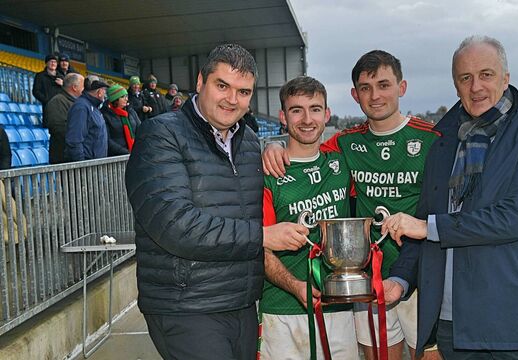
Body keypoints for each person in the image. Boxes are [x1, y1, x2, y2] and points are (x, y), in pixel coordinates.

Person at [383, 35, 518, 359]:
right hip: (455, 327)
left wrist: (429, 228)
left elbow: (515, 218)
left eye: (486, 74)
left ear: (506, 78)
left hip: (517, 328)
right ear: (455, 86)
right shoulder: (442, 144)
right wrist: (399, 279)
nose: (475, 86)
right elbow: (423, 220)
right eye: (465, 78)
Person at [125, 44, 305, 360]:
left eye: (243, 91)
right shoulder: (160, 135)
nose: (232, 99)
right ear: (200, 82)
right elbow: (175, 225)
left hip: (241, 302)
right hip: (186, 305)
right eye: (222, 85)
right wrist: (265, 236)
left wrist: (273, 148)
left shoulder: (249, 142)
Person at [263, 50, 441, 360]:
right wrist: (269, 148)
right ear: (354, 95)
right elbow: (307, 145)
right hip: (364, 282)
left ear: (402, 87)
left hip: (419, 277)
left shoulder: (431, 139)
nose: (375, 96)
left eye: (384, 85)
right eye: (365, 88)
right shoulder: (345, 146)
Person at [260, 76, 357, 359]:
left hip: (339, 306)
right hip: (282, 310)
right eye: (296, 110)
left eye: (315, 109)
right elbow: (258, 245)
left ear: (327, 115)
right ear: (283, 116)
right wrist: (294, 286)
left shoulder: (341, 161)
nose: (307, 119)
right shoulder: (267, 174)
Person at [44, 73, 85, 164]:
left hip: (74, 155)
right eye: (83, 86)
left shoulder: (77, 102)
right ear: (74, 87)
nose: (84, 90)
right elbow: (58, 128)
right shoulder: (57, 102)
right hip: (64, 158)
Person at [64, 80, 109, 162]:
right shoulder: (81, 107)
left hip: (96, 165)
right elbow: (74, 140)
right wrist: (83, 165)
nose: (105, 95)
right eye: (104, 91)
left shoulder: (93, 107)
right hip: (87, 168)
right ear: (99, 92)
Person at [102, 84, 141, 156]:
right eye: (123, 97)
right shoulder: (105, 115)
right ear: (115, 99)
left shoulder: (130, 111)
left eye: (126, 96)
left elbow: (140, 129)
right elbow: (107, 140)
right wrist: (126, 152)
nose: (126, 99)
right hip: (117, 157)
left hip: (134, 153)